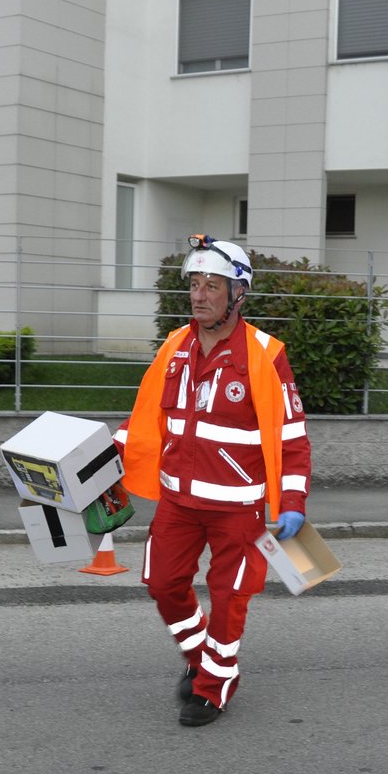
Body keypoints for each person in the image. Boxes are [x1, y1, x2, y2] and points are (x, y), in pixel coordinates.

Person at [115, 235, 312, 728]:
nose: (199, 295)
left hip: (238, 508)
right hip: (177, 501)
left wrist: (292, 501)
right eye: (195, 284)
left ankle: (215, 682)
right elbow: (145, 421)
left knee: (229, 598)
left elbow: (292, 436)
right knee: (162, 583)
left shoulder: (266, 354)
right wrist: (99, 461)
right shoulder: (174, 346)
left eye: (213, 286)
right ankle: (198, 652)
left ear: (238, 293)